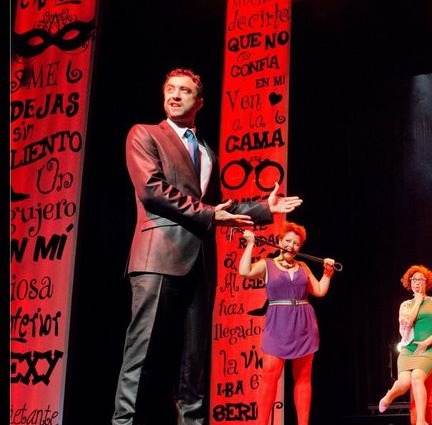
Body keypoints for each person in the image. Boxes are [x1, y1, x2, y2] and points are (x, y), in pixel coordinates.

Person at [112, 68, 302, 425]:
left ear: (199, 102)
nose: (175, 95)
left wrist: (264, 208)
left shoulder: (206, 152)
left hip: (199, 263)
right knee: (143, 353)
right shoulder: (145, 134)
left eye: (184, 91)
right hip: (158, 257)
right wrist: (212, 214)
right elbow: (152, 190)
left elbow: (216, 206)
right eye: (170, 89)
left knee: (194, 363)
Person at [238, 223, 335, 425]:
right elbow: (244, 271)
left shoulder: (303, 267)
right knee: (269, 376)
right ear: (280, 241)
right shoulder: (267, 264)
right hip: (278, 325)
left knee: (303, 378)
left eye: (296, 243)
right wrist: (250, 245)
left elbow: (319, 291)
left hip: (304, 325)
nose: (292, 246)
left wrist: (327, 273)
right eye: (288, 241)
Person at [377, 265, 432, 425]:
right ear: (409, 283)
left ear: (427, 282)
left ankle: (421, 421)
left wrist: (425, 343)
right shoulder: (406, 305)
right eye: (413, 280)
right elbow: (406, 324)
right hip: (409, 349)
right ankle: (389, 396)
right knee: (404, 382)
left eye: (420, 280)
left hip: (429, 348)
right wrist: (417, 302)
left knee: (417, 377)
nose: (417, 283)